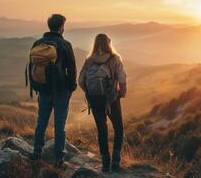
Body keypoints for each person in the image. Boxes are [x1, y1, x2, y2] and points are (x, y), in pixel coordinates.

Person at [28, 14, 77, 168]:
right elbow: (72, 69)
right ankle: (58, 159)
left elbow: (33, 67)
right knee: (59, 125)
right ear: (61, 27)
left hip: (43, 89)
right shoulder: (64, 44)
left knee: (41, 122)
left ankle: (36, 153)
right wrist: (71, 87)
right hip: (61, 90)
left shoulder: (38, 43)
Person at [78, 34, 127, 172]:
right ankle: (116, 161)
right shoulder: (115, 59)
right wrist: (121, 93)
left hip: (95, 99)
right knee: (118, 128)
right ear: (108, 44)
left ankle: (105, 162)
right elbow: (122, 78)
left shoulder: (89, 60)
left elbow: (81, 80)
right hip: (111, 99)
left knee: (101, 129)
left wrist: (89, 92)